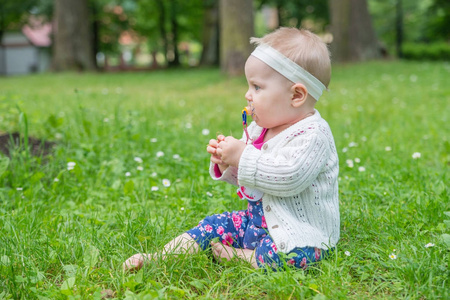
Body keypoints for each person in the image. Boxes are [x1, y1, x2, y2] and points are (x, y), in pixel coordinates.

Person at [123, 27, 339, 271]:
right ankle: (159, 256)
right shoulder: (260, 129)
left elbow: (288, 177)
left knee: (293, 254)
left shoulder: (313, 135)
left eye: (257, 87)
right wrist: (228, 163)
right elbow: (254, 180)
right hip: (256, 223)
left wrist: (243, 156)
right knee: (214, 224)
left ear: (297, 95)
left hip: (300, 230)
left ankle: (245, 257)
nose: (248, 95)